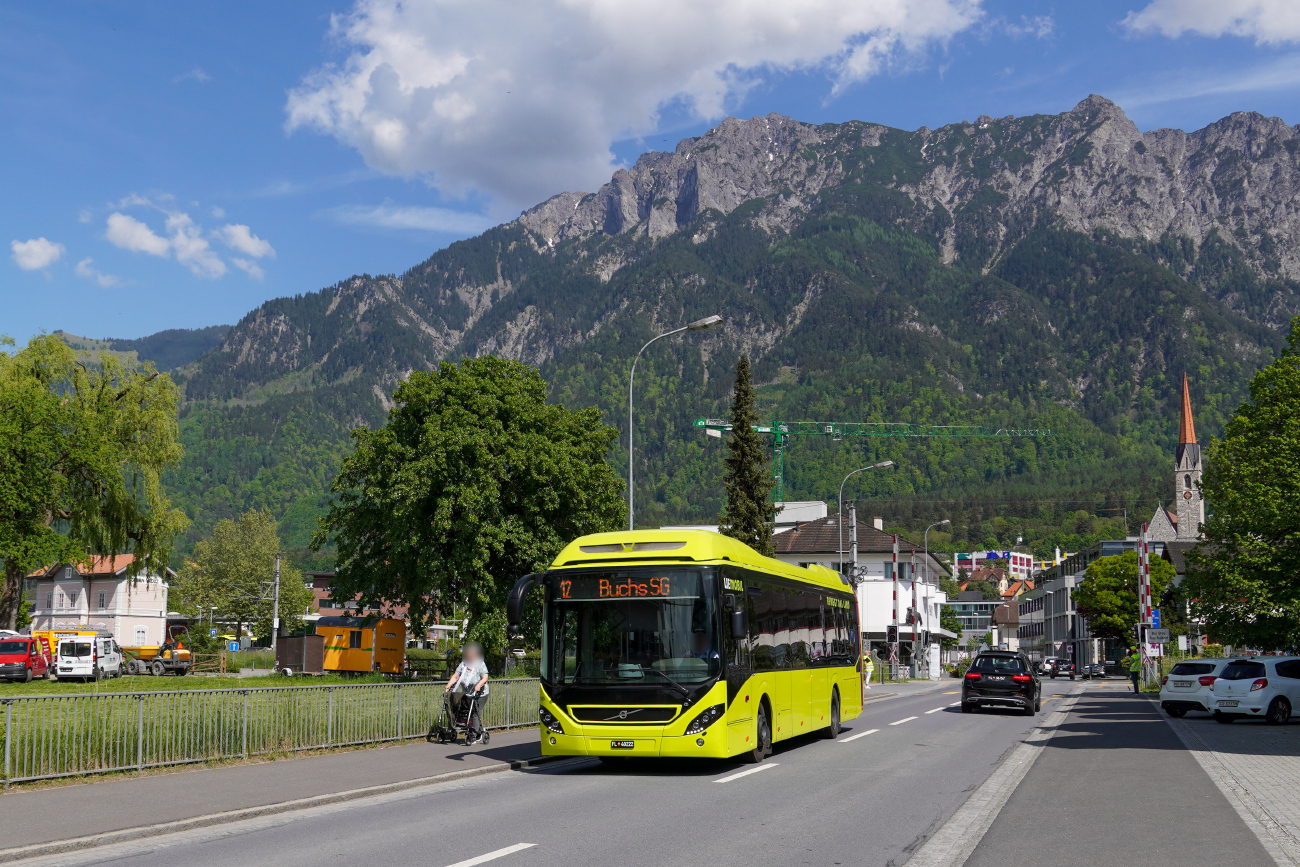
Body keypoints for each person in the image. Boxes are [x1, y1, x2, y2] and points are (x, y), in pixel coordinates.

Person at [445, 642, 490, 743]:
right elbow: (456, 675)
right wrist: (449, 684)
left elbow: (485, 677)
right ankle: (479, 731)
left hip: (480, 694)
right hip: (467, 693)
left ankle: (473, 734)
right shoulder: (463, 664)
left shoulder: (480, 664)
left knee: (475, 712)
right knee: (467, 712)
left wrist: (479, 685)